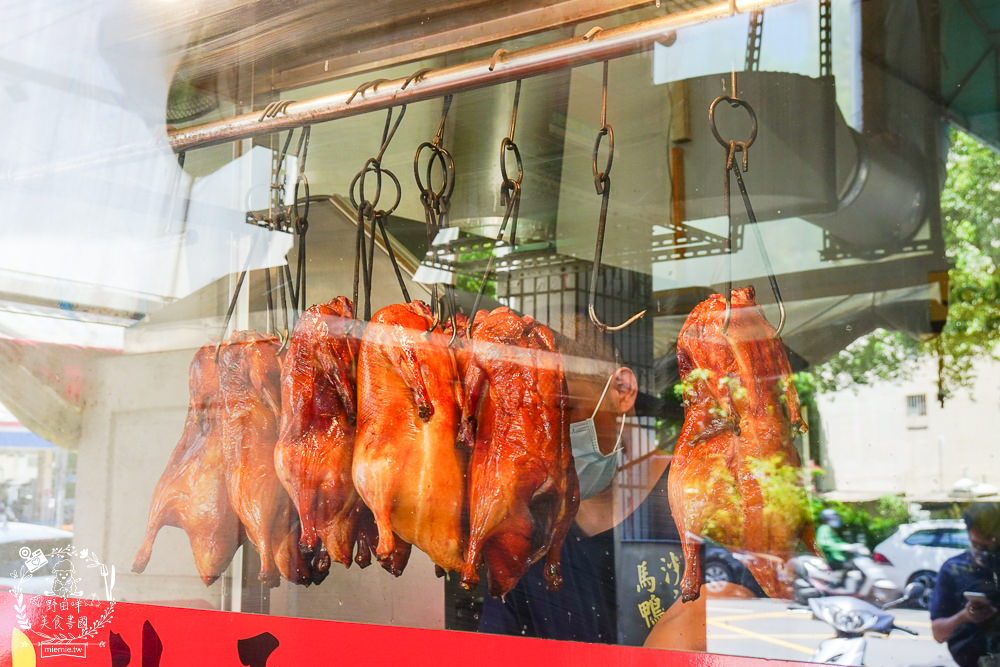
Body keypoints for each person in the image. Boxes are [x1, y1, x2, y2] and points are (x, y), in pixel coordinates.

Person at [476, 336, 671, 644]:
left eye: (565, 408)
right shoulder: (528, 535)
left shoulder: (694, 502)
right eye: (535, 420)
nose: (550, 436)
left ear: (622, 390)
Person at [930, 503, 1000, 667]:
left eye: (992, 546)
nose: (984, 553)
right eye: (977, 545)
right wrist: (965, 616)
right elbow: (938, 633)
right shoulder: (953, 570)